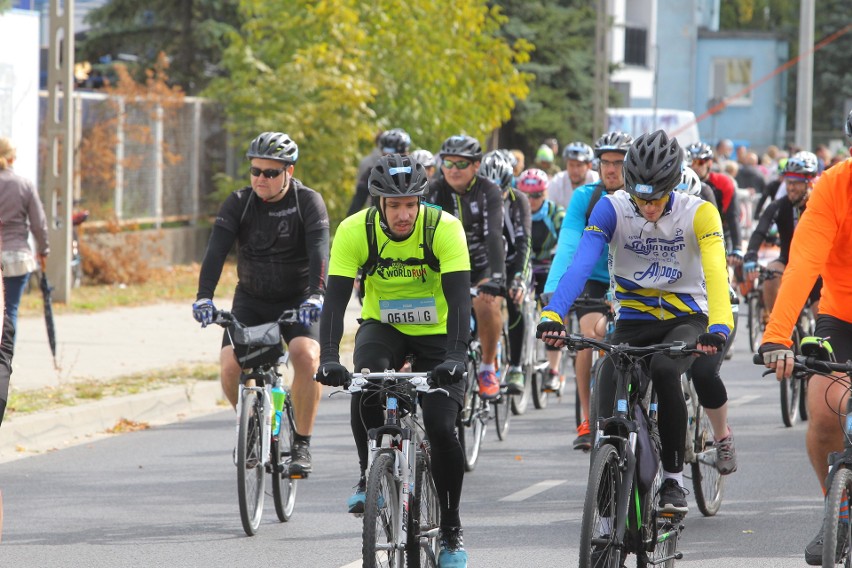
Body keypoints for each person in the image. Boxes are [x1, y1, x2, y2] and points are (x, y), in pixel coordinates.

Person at [539, 130, 737, 517]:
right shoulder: (611, 207)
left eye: (657, 198)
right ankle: (610, 465)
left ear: (674, 185)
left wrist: (720, 326)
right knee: (608, 376)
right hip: (632, 317)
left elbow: (716, 272)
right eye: (641, 198)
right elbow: (581, 263)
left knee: (665, 370)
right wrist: (553, 313)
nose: (648, 207)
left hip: (687, 317)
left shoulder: (699, 212)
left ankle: (674, 482)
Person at [316, 154, 471, 567]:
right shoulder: (355, 230)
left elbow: (459, 302)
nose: (404, 214)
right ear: (377, 203)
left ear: (421, 200)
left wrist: (457, 354)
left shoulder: (444, 229)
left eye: (411, 204)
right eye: (394, 205)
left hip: (440, 333)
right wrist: (329, 357)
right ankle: (371, 475)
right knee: (364, 382)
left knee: (441, 427)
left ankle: (452, 530)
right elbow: (334, 303)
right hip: (383, 325)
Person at [192, 132, 329, 475]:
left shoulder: (308, 202)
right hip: (251, 299)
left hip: (299, 300)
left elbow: (319, 253)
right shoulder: (239, 203)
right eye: (255, 171)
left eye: (270, 173)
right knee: (229, 366)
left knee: (306, 355)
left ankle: (301, 443)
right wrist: (204, 297)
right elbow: (215, 253)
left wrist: (317, 293)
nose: (261, 179)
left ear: (289, 171)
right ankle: (251, 423)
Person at [758, 109, 852, 566]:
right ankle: (839, 511)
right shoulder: (834, 186)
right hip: (841, 315)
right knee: (822, 408)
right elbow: (804, 262)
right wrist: (777, 335)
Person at [542, 130, 633, 451]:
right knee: (586, 337)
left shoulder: (640, 199)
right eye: (605, 162)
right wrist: (554, 292)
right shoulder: (586, 197)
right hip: (593, 280)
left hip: (631, 281)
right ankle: (585, 415)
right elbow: (568, 246)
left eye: (619, 163)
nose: (611, 170)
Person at [426, 134, 506, 400]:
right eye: (448, 163)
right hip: (444, 267)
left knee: (487, 303)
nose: (453, 170)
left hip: (480, 267)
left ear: (476, 165)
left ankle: (487, 367)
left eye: (461, 164)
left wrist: (497, 277)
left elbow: (494, 234)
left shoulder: (489, 191)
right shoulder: (433, 190)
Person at [744, 152, 820, 316]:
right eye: (788, 182)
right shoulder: (779, 205)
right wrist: (751, 255)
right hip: (789, 260)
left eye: (797, 183)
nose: (791, 187)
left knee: (821, 317)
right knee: (770, 275)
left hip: (818, 266)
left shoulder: (820, 205)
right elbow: (760, 231)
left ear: (809, 182)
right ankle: (776, 325)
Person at [480, 151, 531, 395]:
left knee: (514, 301)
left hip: (512, 262)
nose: (495, 196)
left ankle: (517, 366)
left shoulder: (518, 200)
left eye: (499, 190)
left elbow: (523, 242)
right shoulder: (475, 200)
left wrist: (519, 278)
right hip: (484, 263)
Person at [0, 137, 50, 338]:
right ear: (12, 158)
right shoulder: (24, 185)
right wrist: (43, 249)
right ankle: (4, 364)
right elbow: (39, 223)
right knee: (9, 311)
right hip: (17, 259)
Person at [686, 142, 743, 266]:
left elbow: (733, 216)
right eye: (691, 162)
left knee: (723, 270)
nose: (695, 166)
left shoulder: (723, 183)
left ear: (709, 163)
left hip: (720, 231)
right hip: (688, 234)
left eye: (700, 162)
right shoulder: (679, 183)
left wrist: (737, 247)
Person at [347, 128, 411, 216]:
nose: (388, 159)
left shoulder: (415, 174)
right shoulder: (372, 173)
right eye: (385, 155)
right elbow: (357, 203)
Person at [547, 141, 599, 209]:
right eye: (571, 165)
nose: (575, 170)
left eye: (579, 165)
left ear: (589, 166)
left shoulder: (596, 180)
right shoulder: (556, 182)